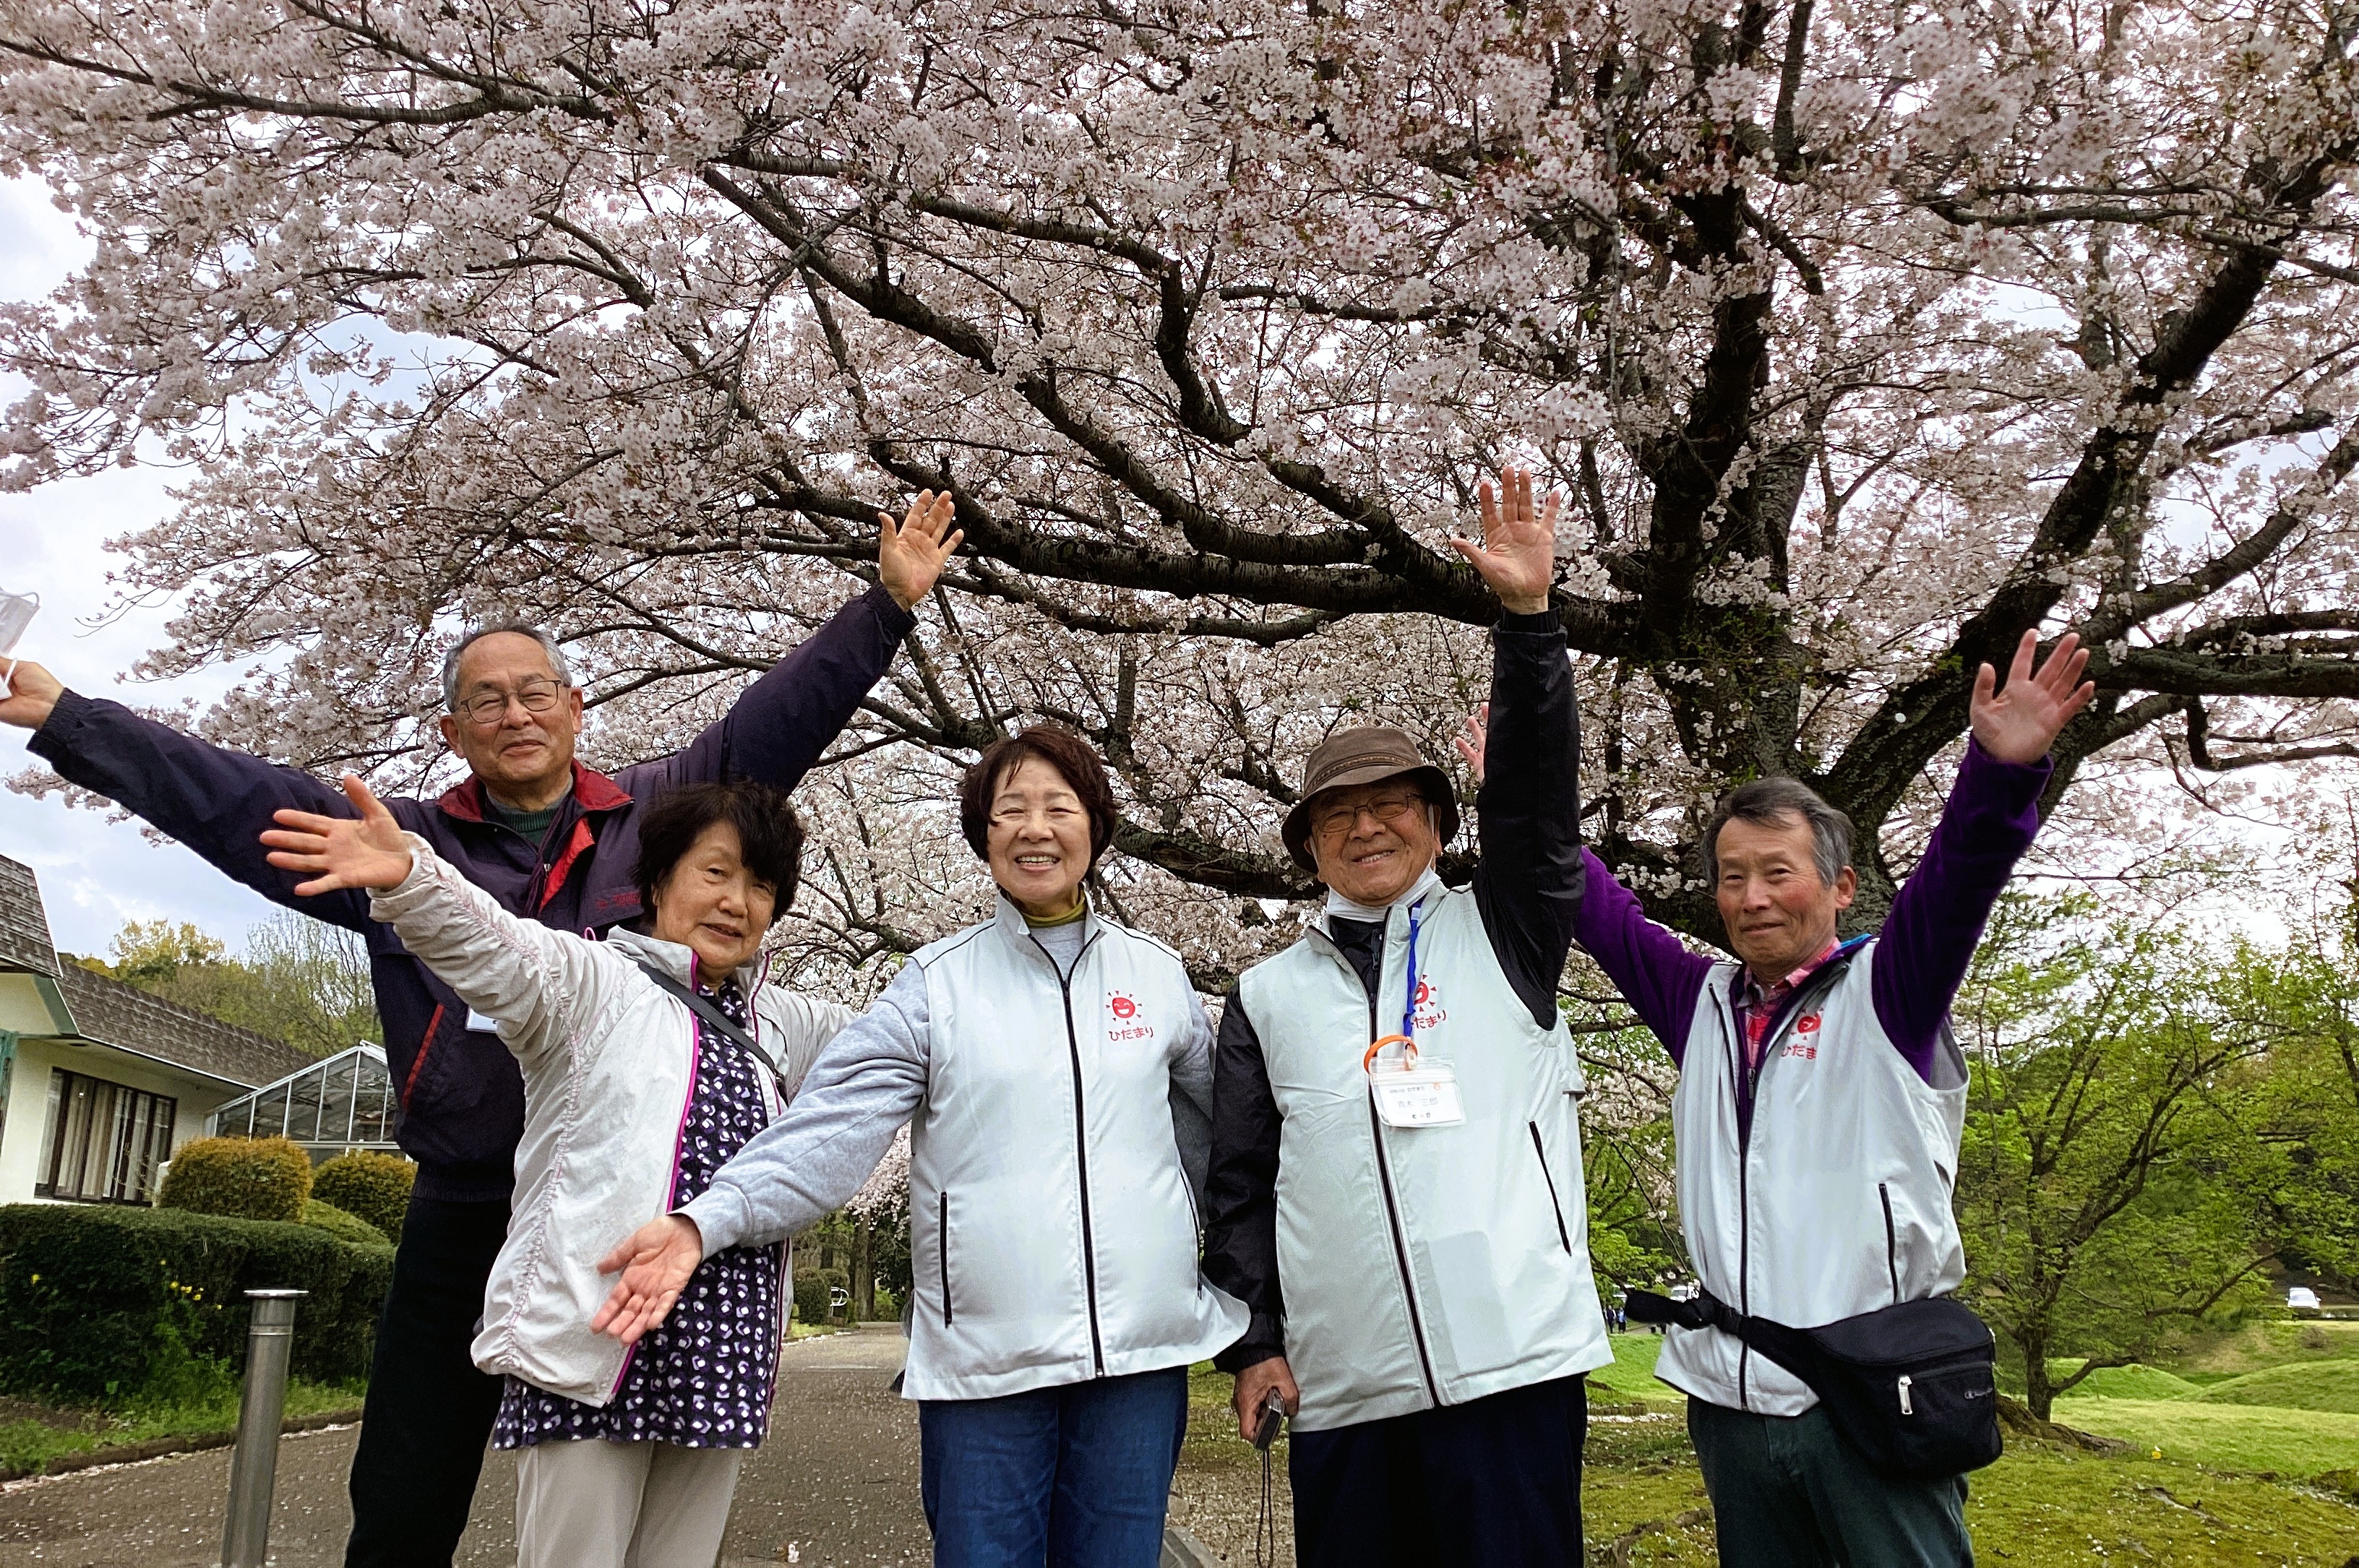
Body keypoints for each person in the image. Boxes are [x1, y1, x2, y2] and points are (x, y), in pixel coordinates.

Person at [0, 494, 961, 1567]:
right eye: (487, 703)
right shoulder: (396, 841)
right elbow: (238, 799)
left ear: (576, 705)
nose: (517, 716)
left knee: (635, 1478)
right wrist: (69, 717)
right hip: (466, 1201)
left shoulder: (654, 814)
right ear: (450, 732)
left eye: (536, 693)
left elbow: (776, 723)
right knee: (408, 1491)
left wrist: (885, 606)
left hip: (618, 1205)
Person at [1487, 626, 2091, 1567]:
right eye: (1733, 878)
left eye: (1779, 873)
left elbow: (1956, 885)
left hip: (1875, 1393)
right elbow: (1589, 900)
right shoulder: (1703, 1006)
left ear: (1841, 887)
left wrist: (2000, 773)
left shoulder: (1890, 994)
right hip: (1731, 1405)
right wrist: (1519, 791)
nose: (1754, 897)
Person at [592, 722, 1247, 1568]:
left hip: (1140, 1358)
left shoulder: (1158, 975)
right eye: (1010, 811)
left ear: (1095, 826)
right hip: (984, 1363)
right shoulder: (937, 984)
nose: (1035, 829)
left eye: (1059, 806)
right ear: (984, 837)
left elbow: (1223, 1143)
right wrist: (704, 1221)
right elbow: (832, 1127)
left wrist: (1217, 1274)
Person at [264, 773, 846, 1568]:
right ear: (657, 880)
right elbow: (498, 946)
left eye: (761, 885)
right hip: (593, 1344)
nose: (736, 902)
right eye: (715, 872)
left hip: (722, 1351)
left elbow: (903, 1041)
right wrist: (412, 877)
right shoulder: (593, 985)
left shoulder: (782, 1022)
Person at [1200, 467, 1611, 1568]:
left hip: (1510, 1368)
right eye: (1338, 813)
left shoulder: (1509, 928)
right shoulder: (1267, 995)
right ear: (1308, 846)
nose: (1367, 827)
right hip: (1344, 1388)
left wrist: (1528, 623)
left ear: (1435, 820)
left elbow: (1536, 802)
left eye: (1392, 803)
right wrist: (1259, 1343)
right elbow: (1240, 1184)